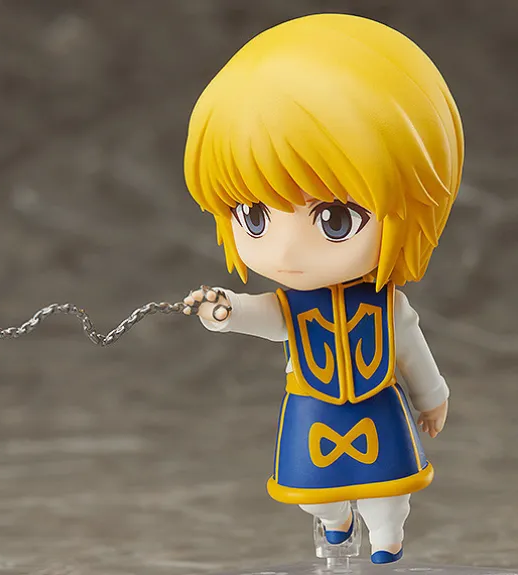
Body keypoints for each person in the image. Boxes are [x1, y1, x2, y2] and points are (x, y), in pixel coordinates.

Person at [181, 13, 463, 564]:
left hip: (378, 407)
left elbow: (411, 350)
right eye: (254, 216)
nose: (287, 253)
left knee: (388, 493)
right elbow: (266, 317)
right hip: (313, 409)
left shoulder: (389, 307)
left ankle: (386, 536)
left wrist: (432, 397)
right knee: (316, 495)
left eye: (334, 219)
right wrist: (226, 312)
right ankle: (335, 522)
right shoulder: (289, 304)